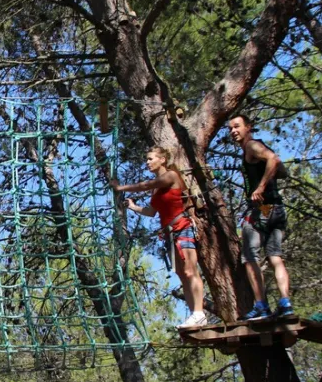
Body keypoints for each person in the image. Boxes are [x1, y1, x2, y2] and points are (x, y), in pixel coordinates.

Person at [113, 147, 207, 328]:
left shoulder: (170, 176)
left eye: (150, 159)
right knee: (181, 274)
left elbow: (145, 185)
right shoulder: (156, 189)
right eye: (146, 160)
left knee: (190, 271)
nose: (147, 162)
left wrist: (121, 187)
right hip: (169, 233)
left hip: (182, 228)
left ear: (162, 159)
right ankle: (194, 317)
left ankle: (199, 312)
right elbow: (151, 212)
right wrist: (133, 207)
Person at [227, 114, 294, 321]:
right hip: (277, 208)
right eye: (230, 129)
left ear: (249, 127)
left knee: (249, 257)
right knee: (275, 256)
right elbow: (281, 169)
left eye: (237, 127)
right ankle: (285, 302)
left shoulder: (251, 146)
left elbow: (274, 160)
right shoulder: (260, 148)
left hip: (262, 209)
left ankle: (261, 305)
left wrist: (261, 186)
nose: (233, 131)